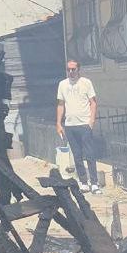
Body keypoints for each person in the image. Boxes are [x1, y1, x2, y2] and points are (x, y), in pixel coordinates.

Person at [55, 60, 101, 193]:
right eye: (68, 69)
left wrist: (91, 121)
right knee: (77, 155)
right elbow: (60, 104)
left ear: (78, 69)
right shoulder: (62, 84)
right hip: (70, 125)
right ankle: (84, 182)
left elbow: (93, 102)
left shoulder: (86, 83)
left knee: (89, 154)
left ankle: (94, 183)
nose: (71, 72)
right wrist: (58, 123)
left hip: (84, 124)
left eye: (73, 69)